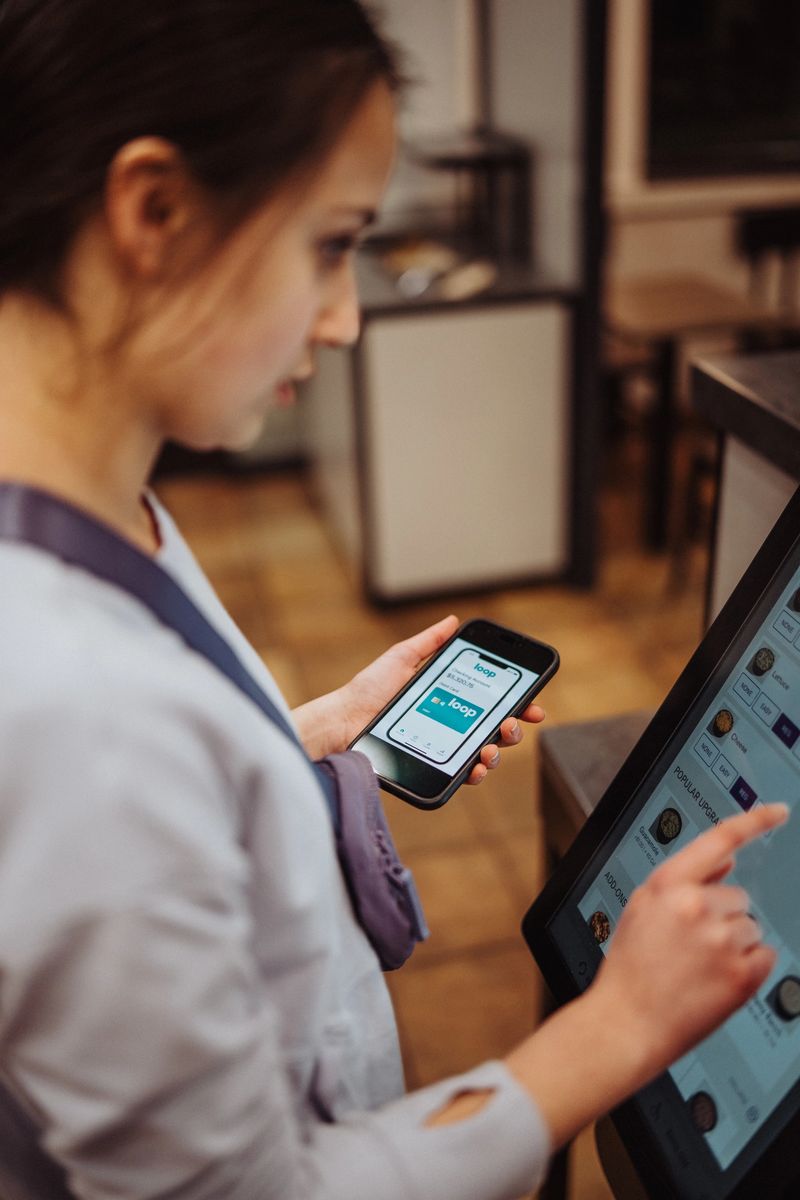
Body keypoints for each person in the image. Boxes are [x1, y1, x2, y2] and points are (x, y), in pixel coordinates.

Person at [0, 1, 787, 1197]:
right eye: (328, 245)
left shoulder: (103, 501)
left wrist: (303, 740)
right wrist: (616, 1027)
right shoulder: (74, 708)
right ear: (153, 211)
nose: (346, 316)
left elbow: (155, 804)